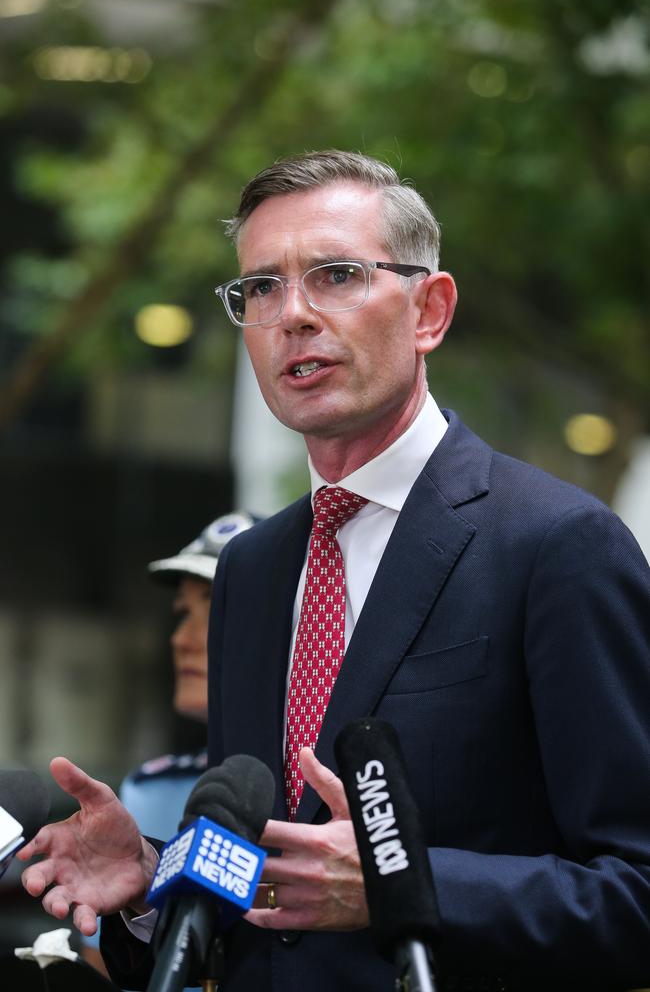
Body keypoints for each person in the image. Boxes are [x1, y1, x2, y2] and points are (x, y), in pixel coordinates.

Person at [19, 151, 650, 992]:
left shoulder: (556, 543)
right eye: (263, 288)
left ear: (430, 309)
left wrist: (403, 885)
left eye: (337, 275)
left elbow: (636, 895)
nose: (294, 315)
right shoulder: (251, 567)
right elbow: (274, 888)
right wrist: (147, 877)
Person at [81, 512, 254, 979]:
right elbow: (105, 966)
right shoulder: (146, 793)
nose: (182, 639)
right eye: (183, 614)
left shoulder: (319, 788)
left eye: (218, 609)